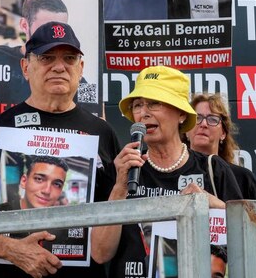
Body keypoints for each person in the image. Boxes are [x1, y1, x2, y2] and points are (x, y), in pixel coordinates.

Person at [0, 21, 120, 278]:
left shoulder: (103, 133)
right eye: (47, 57)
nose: (59, 66)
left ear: (81, 68)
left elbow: (117, 220)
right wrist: (10, 248)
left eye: (69, 58)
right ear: (26, 67)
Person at [91, 65, 242, 277]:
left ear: (181, 113)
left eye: (154, 103)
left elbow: (246, 242)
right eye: (137, 105)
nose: (144, 113)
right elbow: (100, 254)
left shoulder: (213, 168)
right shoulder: (122, 170)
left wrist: (211, 204)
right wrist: (119, 189)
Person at [185, 93, 256, 278]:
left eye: (212, 119)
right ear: (185, 130)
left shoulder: (243, 178)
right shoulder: (170, 174)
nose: (203, 124)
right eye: (197, 118)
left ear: (224, 133)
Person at [0, 0, 69, 108]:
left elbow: (93, 109)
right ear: (24, 25)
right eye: (44, 29)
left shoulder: (70, 70)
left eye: (60, 30)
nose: (53, 36)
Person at [0, 156, 69, 211]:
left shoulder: (65, 223)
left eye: (56, 184)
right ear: (24, 181)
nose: (47, 191)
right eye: (39, 179)